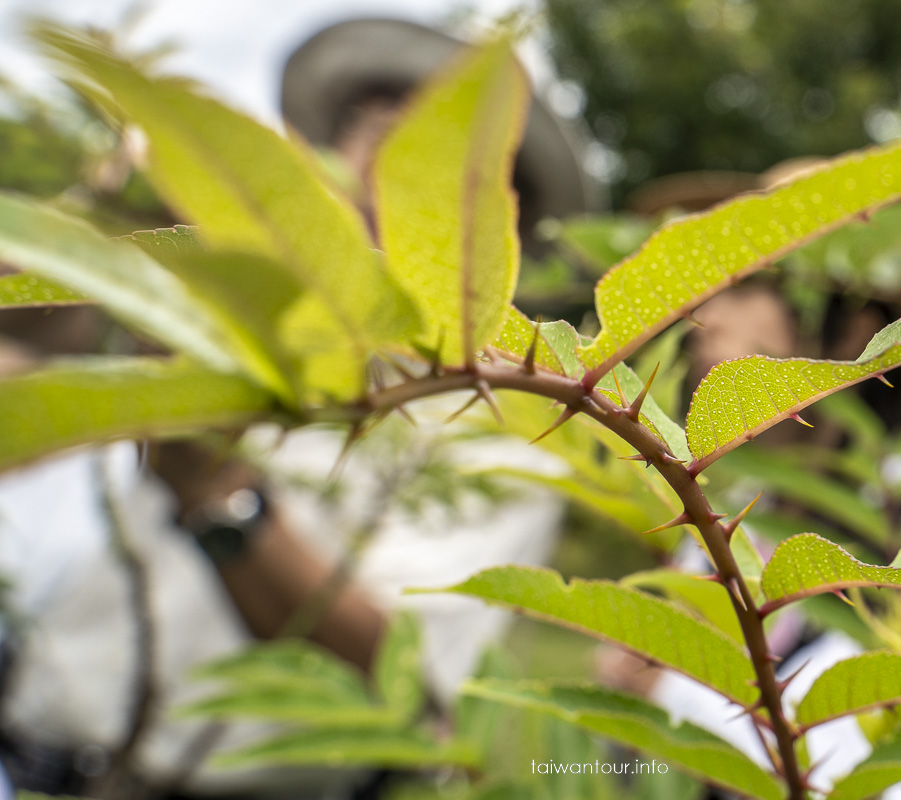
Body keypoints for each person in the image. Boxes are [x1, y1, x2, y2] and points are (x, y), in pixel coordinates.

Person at [0, 17, 599, 799]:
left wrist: (214, 489)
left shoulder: (519, 424)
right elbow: (35, 336)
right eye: (373, 142)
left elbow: (403, 671)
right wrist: (97, 241)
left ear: (500, 215)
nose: (389, 177)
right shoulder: (251, 322)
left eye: (439, 158)